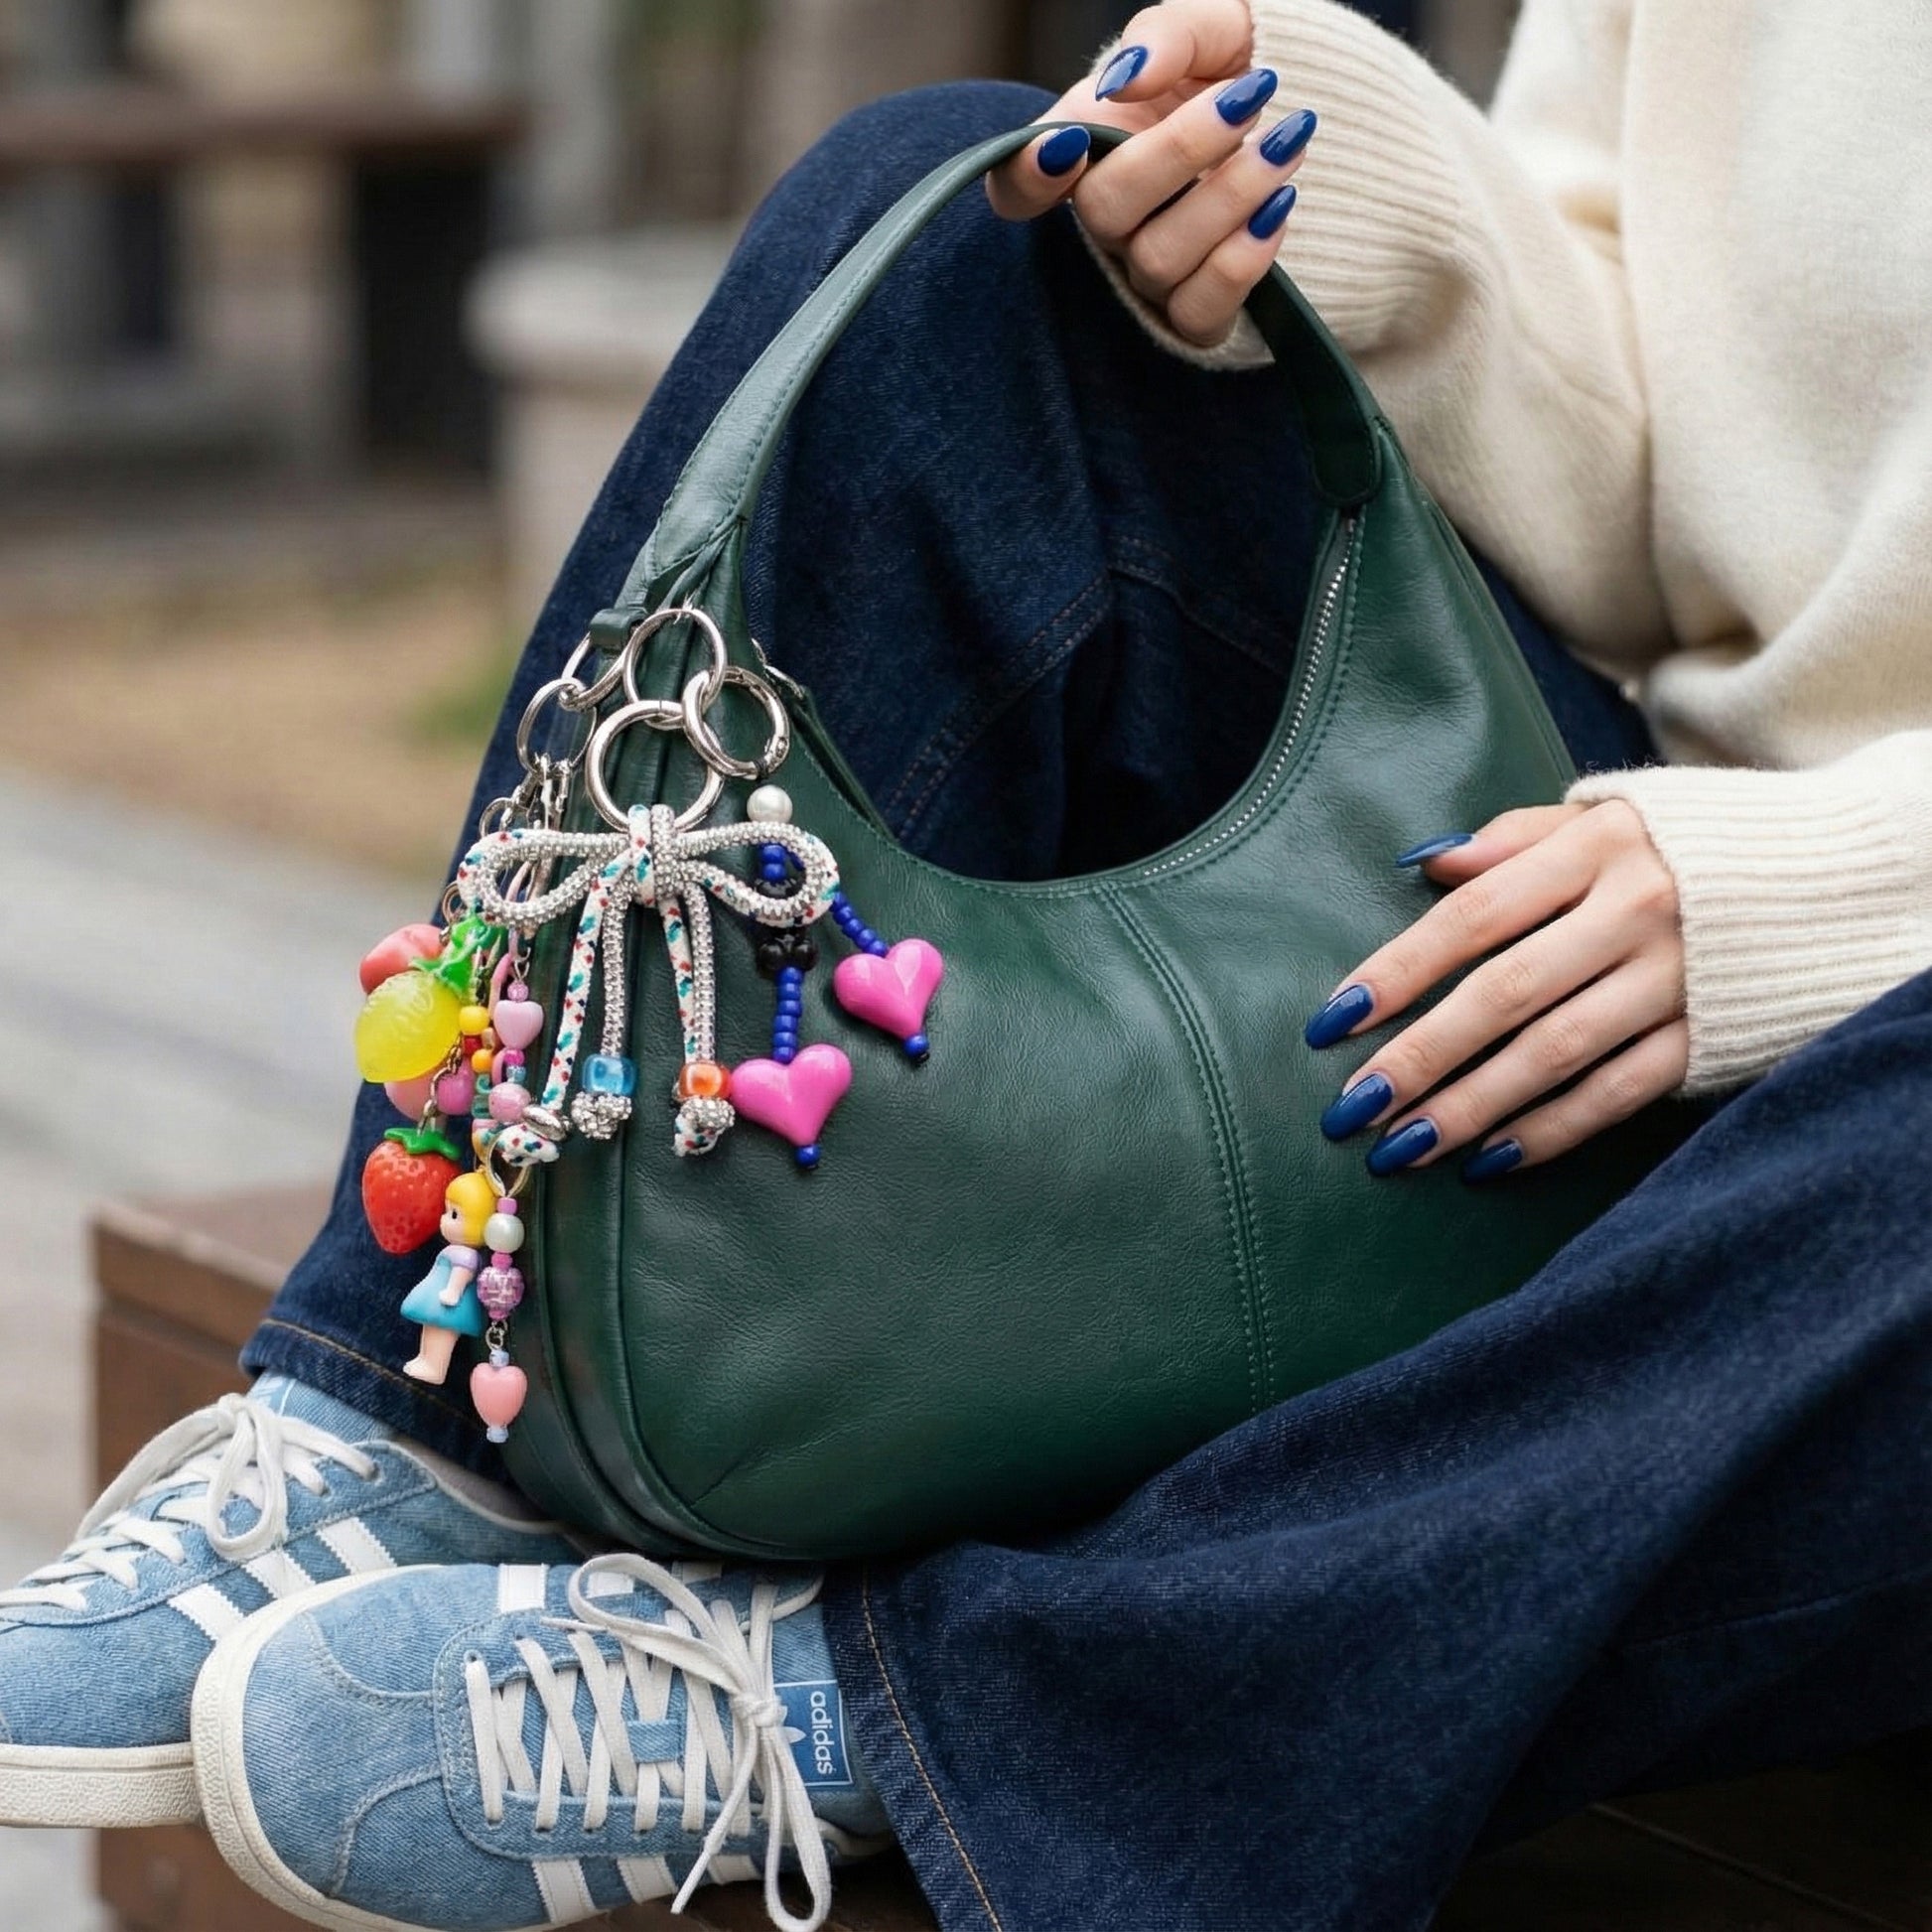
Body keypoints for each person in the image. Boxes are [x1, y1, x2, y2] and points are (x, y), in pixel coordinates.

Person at [3, 2, 1928, 1927]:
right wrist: (1323, 190)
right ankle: (433, 1405)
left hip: (1862, 1091)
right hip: (1583, 896)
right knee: (946, 228)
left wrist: (1817, 891)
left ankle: (892, 1710)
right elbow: (1683, 452)